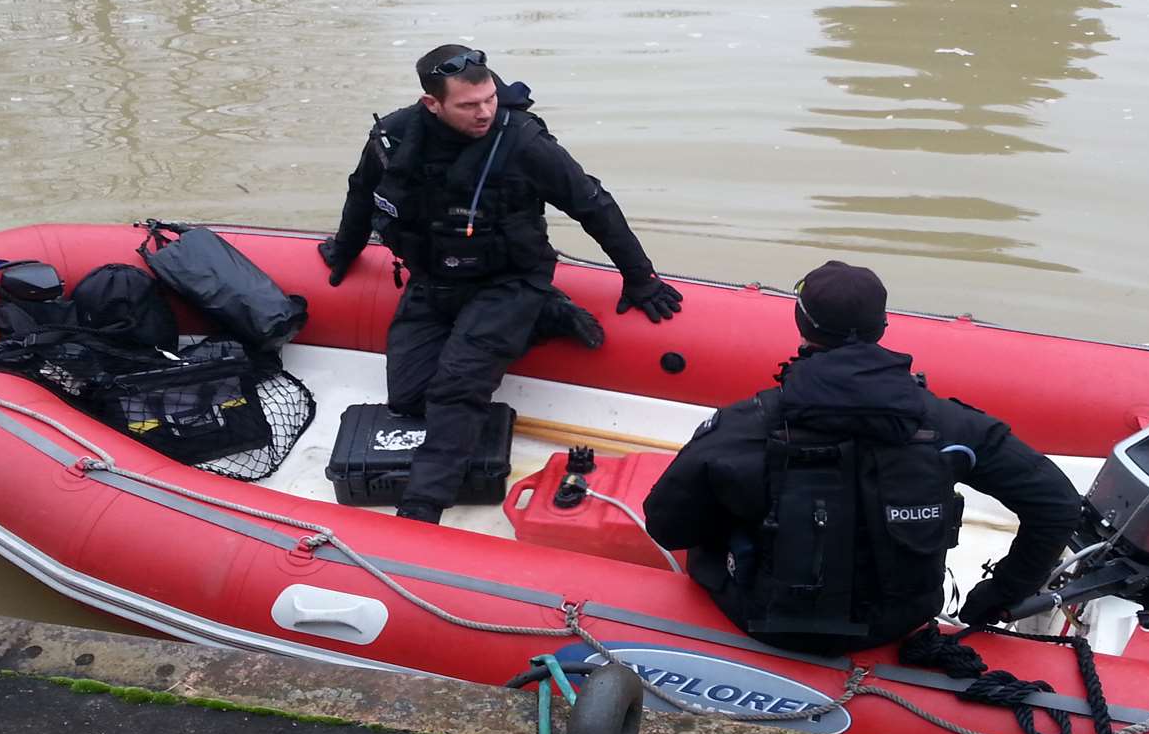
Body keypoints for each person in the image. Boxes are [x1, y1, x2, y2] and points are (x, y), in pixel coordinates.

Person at [320, 45, 682, 523]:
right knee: (408, 398)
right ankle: (546, 317)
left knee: (456, 386)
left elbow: (592, 203)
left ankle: (424, 506)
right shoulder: (393, 139)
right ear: (433, 104)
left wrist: (639, 278)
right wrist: (344, 253)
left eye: (490, 98)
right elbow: (362, 195)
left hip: (509, 281)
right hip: (434, 282)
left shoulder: (524, 143)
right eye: (469, 105)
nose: (486, 111)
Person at [643, 261, 1081, 654]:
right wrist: (1000, 593)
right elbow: (1057, 504)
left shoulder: (745, 424)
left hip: (761, 617)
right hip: (893, 625)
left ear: (802, 323)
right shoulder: (950, 428)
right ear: (882, 327)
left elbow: (666, 525)